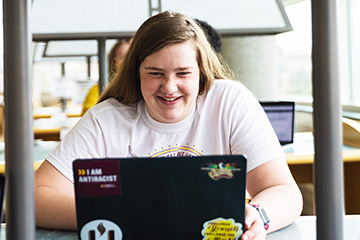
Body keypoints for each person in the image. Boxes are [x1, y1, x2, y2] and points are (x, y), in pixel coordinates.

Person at [34, 11, 303, 239]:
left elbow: (284, 192)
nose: (169, 87)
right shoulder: (105, 120)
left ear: (202, 72)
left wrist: (258, 216)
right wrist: (113, 213)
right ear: (136, 72)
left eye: (183, 73)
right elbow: (30, 198)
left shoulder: (230, 101)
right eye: (155, 73)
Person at [81, 38, 131, 116]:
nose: (128, 61)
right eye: (123, 57)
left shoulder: (144, 90)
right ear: (113, 62)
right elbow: (88, 119)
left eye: (131, 57)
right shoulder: (97, 90)